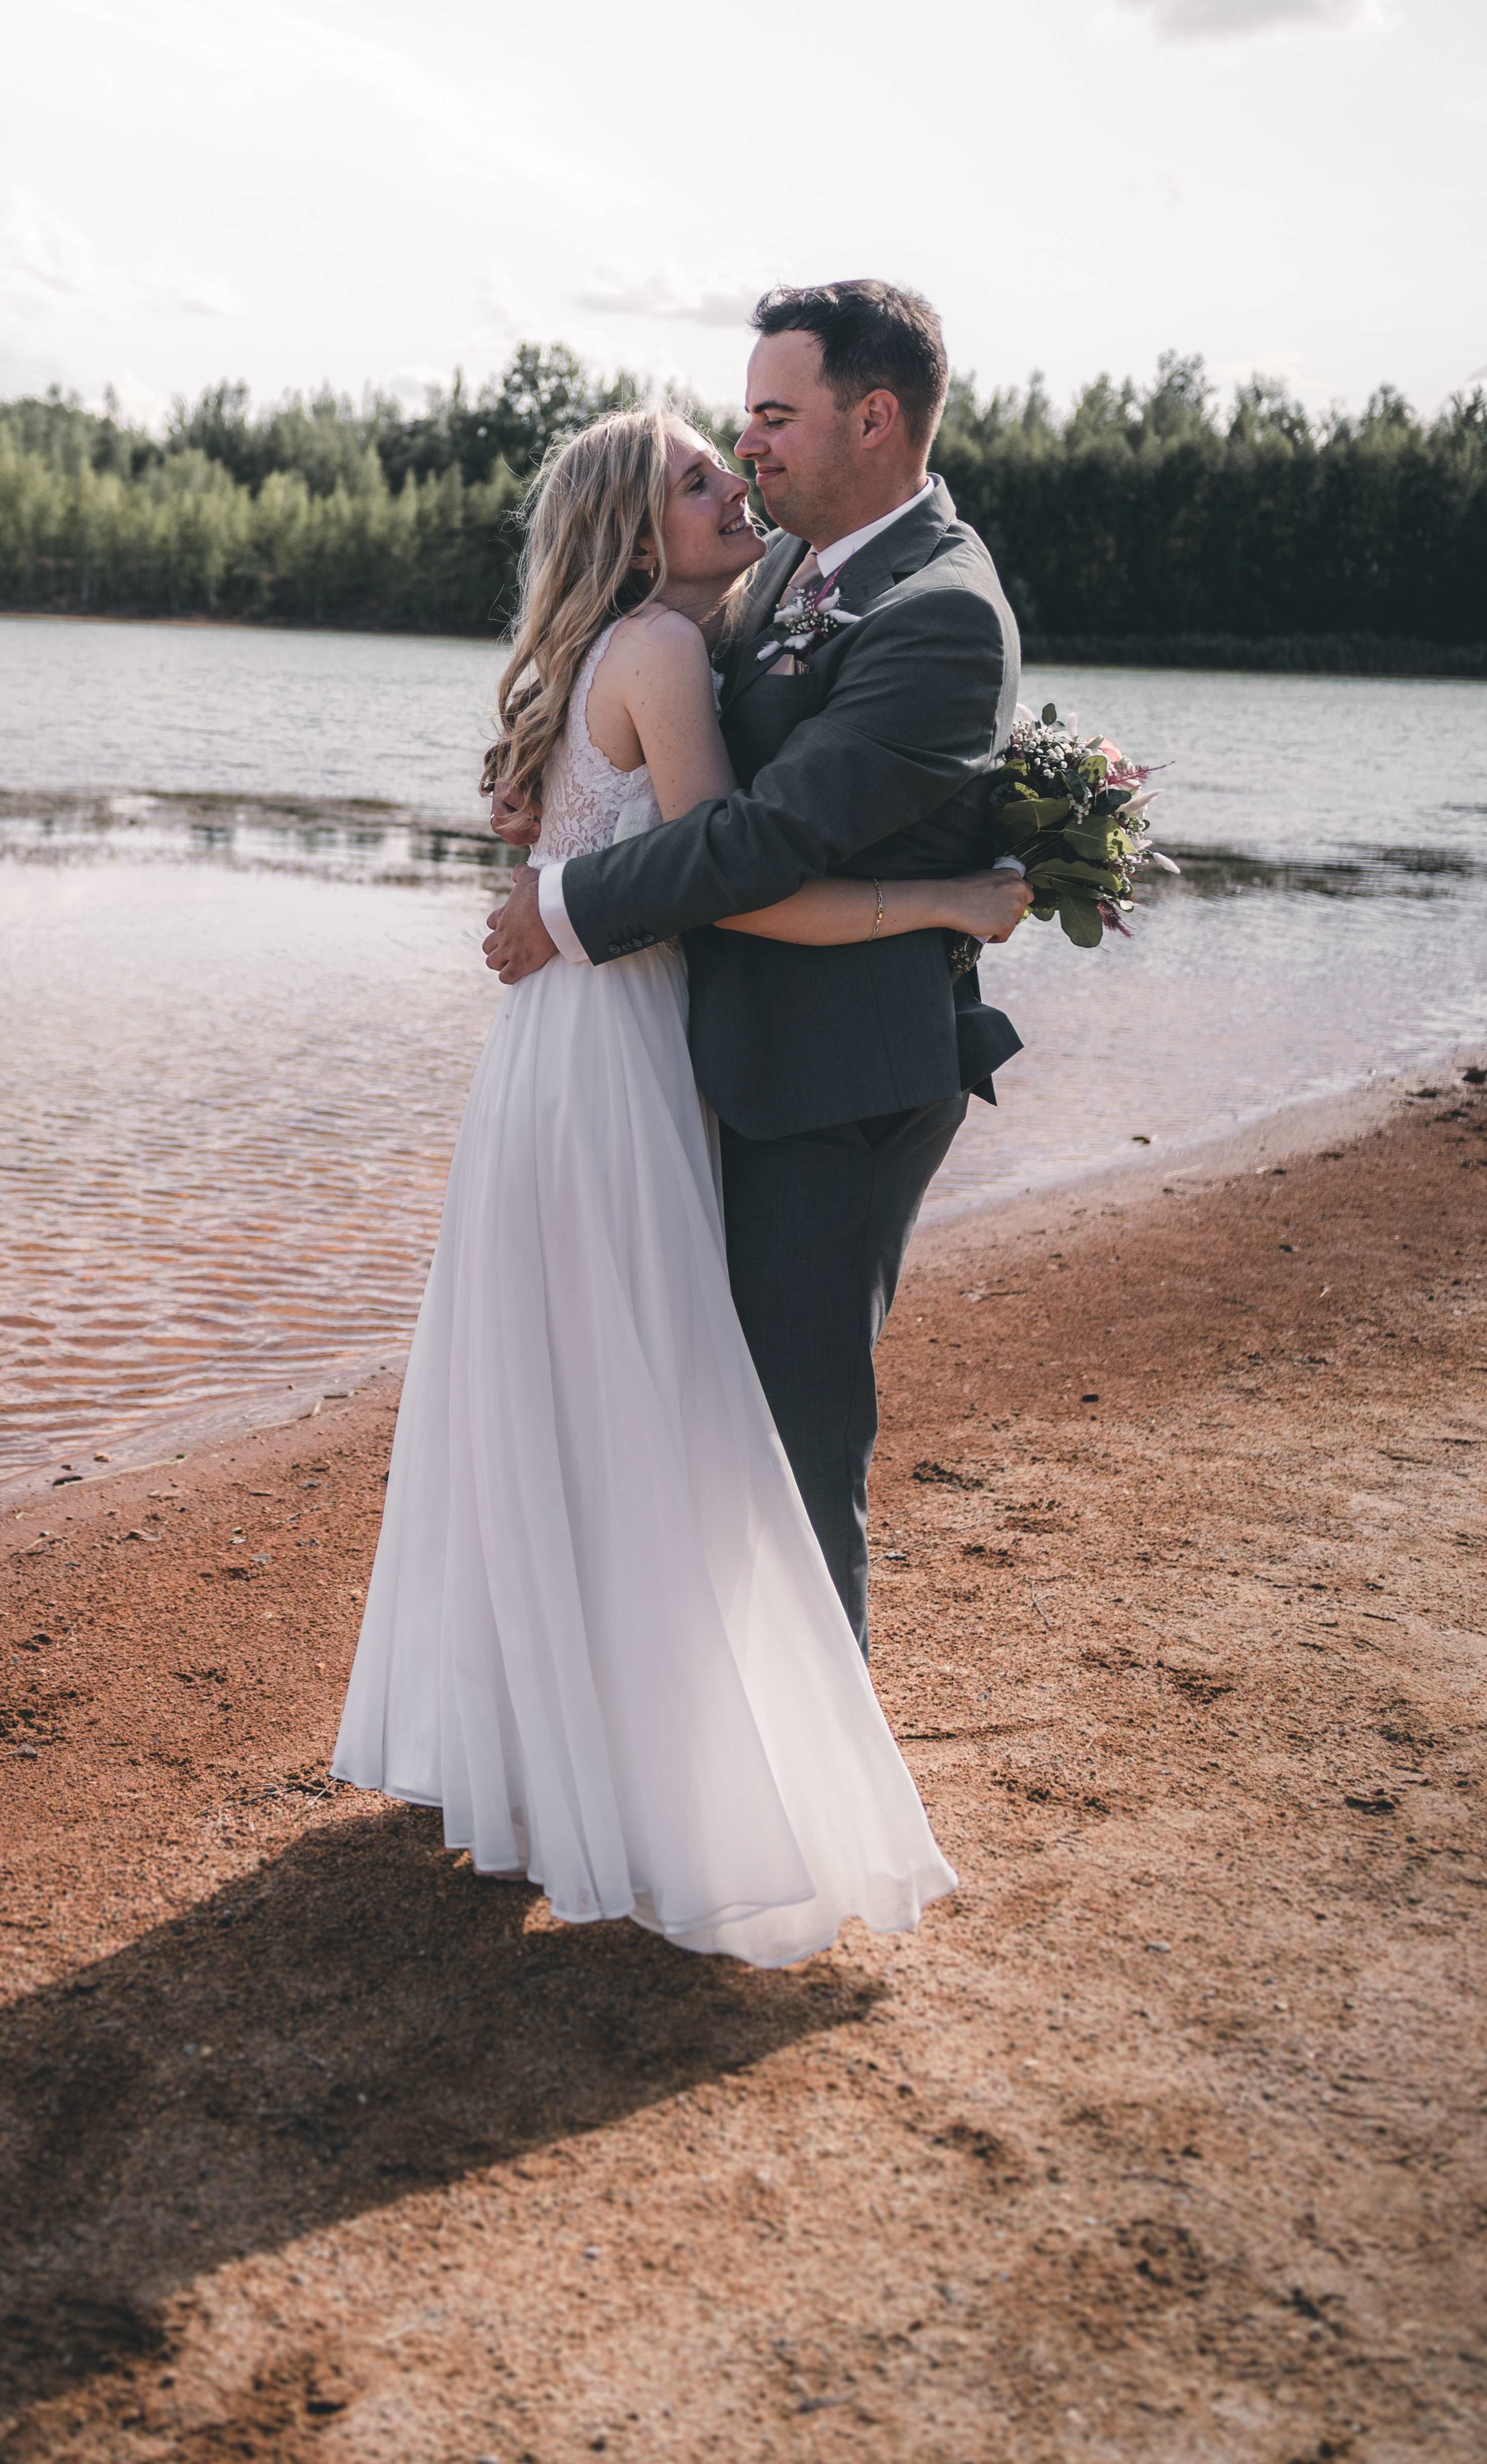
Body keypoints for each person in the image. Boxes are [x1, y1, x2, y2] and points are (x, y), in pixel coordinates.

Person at [332, 392, 1029, 1965]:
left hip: (567, 1057)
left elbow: (633, 847)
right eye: (703, 476)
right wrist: (953, 904)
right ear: (637, 532)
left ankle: (551, 1747)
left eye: (740, 457)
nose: (739, 483)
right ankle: (681, 1778)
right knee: (654, 1404)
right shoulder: (657, 648)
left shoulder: (667, 640)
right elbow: (739, 888)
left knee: (575, 1399)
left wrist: (559, 891)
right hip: (620, 1052)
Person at [483, 280, 1024, 1654]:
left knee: (793, 1433)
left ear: (877, 416)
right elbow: (653, 727)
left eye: (776, 419)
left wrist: (569, 897)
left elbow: (768, 840)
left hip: (833, 1082)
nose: (752, 453)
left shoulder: (940, 612)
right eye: (739, 431)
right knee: (692, 1417)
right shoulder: (779, 563)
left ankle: (812, 1800)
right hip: (705, 1061)